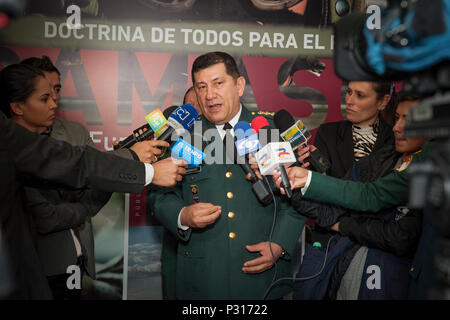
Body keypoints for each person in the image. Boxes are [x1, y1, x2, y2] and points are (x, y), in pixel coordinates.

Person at [0, 63, 187, 299]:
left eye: (56, 92)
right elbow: (47, 217)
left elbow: (93, 181)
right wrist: (138, 165)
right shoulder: (17, 152)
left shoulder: (66, 136)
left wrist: (119, 166)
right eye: (45, 97)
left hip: (78, 266)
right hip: (36, 272)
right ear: (17, 107)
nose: (54, 102)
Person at [149, 51, 305, 299]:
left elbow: (297, 196)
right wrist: (182, 215)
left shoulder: (269, 129)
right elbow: (159, 196)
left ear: (239, 85)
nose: (209, 95)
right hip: (203, 279)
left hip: (261, 280)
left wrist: (280, 244)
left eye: (218, 83)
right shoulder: (183, 135)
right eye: (202, 86)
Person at [275, 93, 426, 299]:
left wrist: (344, 226)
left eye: (409, 120)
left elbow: (400, 237)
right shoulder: (378, 162)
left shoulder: (430, 172)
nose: (397, 127)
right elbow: (330, 211)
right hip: (343, 271)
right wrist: (292, 180)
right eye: (398, 118)